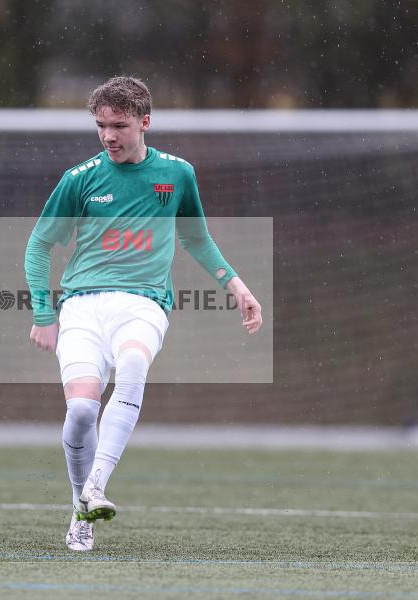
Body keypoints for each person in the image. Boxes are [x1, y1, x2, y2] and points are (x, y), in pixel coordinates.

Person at [24, 76, 262, 552]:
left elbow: (196, 236)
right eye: (100, 126)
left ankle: (96, 485)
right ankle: (81, 509)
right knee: (81, 412)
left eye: (119, 125)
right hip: (81, 308)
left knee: (133, 364)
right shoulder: (79, 178)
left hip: (143, 303)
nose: (108, 136)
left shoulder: (177, 175)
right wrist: (44, 312)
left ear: (144, 122)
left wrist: (235, 285)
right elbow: (39, 243)